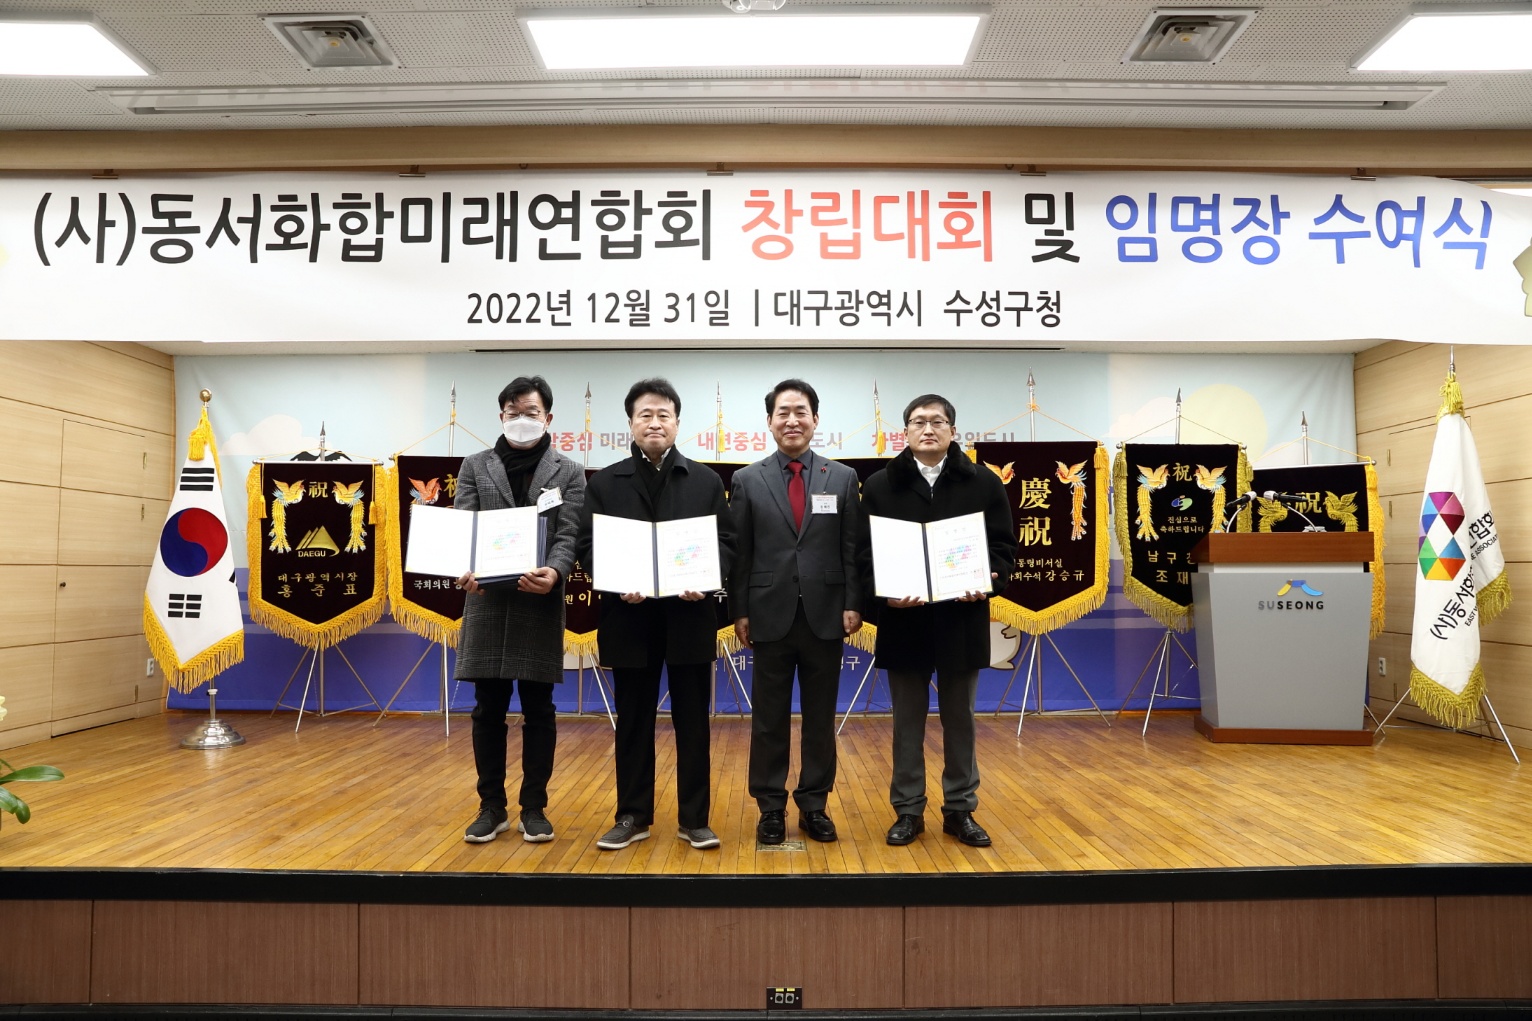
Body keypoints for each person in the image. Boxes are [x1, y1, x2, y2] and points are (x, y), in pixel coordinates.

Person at [577, 378, 735, 851]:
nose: (654, 423)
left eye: (663, 415)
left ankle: (695, 819)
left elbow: (726, 544)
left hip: (689, 615)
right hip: (629, 618)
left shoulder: (705, 481)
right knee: (633, 722)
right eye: (645, 414)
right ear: (630, 423)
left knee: (694, 723)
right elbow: (587, 545)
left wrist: (706, 579)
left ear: (677, 423)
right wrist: (616, 580)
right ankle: (632, 815)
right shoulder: (605, 482)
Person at [858, 393, 1017, 848]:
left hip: (960, 618)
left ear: (952, 430)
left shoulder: (983, 482)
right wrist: (885, 595)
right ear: (905, 431)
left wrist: (988, 581)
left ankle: (960, 809)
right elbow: (863, 553)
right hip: (903, 620)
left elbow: (1003, 548)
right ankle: (908, 810)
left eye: (937, 422)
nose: (927, 429)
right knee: (906, 722)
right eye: (918, 422)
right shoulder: (881, 485)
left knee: (960, 720)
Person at [727, 379, 863, 845]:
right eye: (782, 412)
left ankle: (814, 805)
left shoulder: (841, 478)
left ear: (815, 419)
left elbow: (851, 548)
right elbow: (741, 554)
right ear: (769, 422)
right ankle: (770, 807)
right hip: (769, 614)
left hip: (827, 614)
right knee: (769, 719)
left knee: (820, 719)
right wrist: (740, 611)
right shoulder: (748, 479)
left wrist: (853, 602)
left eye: (800, 411)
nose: (792, 420)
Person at [456, 375, 586, 844]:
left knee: (539, 710)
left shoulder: (569, 471)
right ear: (501, 416)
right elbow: (465, 527)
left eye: (531, 412)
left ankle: (534, 807)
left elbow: (569, 533)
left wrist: (555, 571)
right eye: (513, 412)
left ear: (548, 417)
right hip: (487, 602)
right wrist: (466, 567)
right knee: (487, 710)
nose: (522, 420)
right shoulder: (475, 466)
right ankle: (491, 806)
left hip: (538, 602)